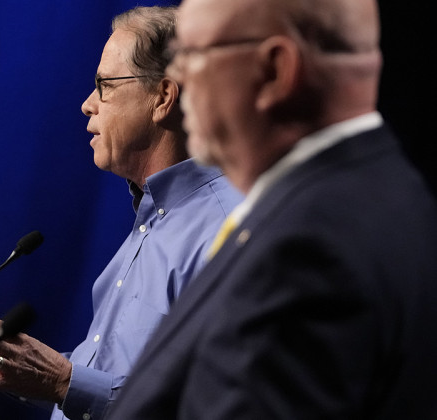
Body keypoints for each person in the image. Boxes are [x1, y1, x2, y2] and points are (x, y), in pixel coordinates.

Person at [0, 6, 242, 420]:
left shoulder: (226, 229)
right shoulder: (150, 226)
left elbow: (210, 398)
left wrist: (63, 381)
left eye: (104, 85)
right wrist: (6, 363)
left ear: (163, 96)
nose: (87, 104)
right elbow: (111, 377)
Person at [106, 0, 437, 418]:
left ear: (275, 71)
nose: (178, 79)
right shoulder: (385, 190)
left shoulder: (309, 250)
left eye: (190, 53)